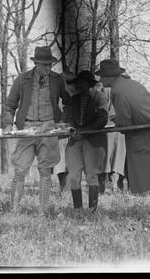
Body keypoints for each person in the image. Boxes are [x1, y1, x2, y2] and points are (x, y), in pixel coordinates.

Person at [95, 59, 150, 218]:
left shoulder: (118, 92)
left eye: (102, 76)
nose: (101, 80)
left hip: (149, 133)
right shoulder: (131, 83)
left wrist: (115, 122)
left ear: (109, 77)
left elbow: (126, 121)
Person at [3, 46, 69, 215]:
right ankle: (14, 210)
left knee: (45, 171)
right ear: (37, 63)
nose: (49, 68)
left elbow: (69, 103)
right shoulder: (22, 79)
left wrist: (60, 122)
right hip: (26, 129)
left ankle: (43, 211)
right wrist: (9, 124)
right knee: (20, 170)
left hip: (48, 129)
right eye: (45, 65)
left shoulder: (57, 80)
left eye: (51, 65)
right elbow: (10, 106)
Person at [62, 70, 108, 213]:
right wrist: (70, 127)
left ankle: (93, 210)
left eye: (83, 83)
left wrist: (84, 132)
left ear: (89, 84)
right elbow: (68, 117)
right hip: (76, 139)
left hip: (93, 140)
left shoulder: (99, 97)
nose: (79, 86)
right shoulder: (74, 99)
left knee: (91, 175)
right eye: (78, 83)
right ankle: (77, 209)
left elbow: (102, 119)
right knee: (74, 174)